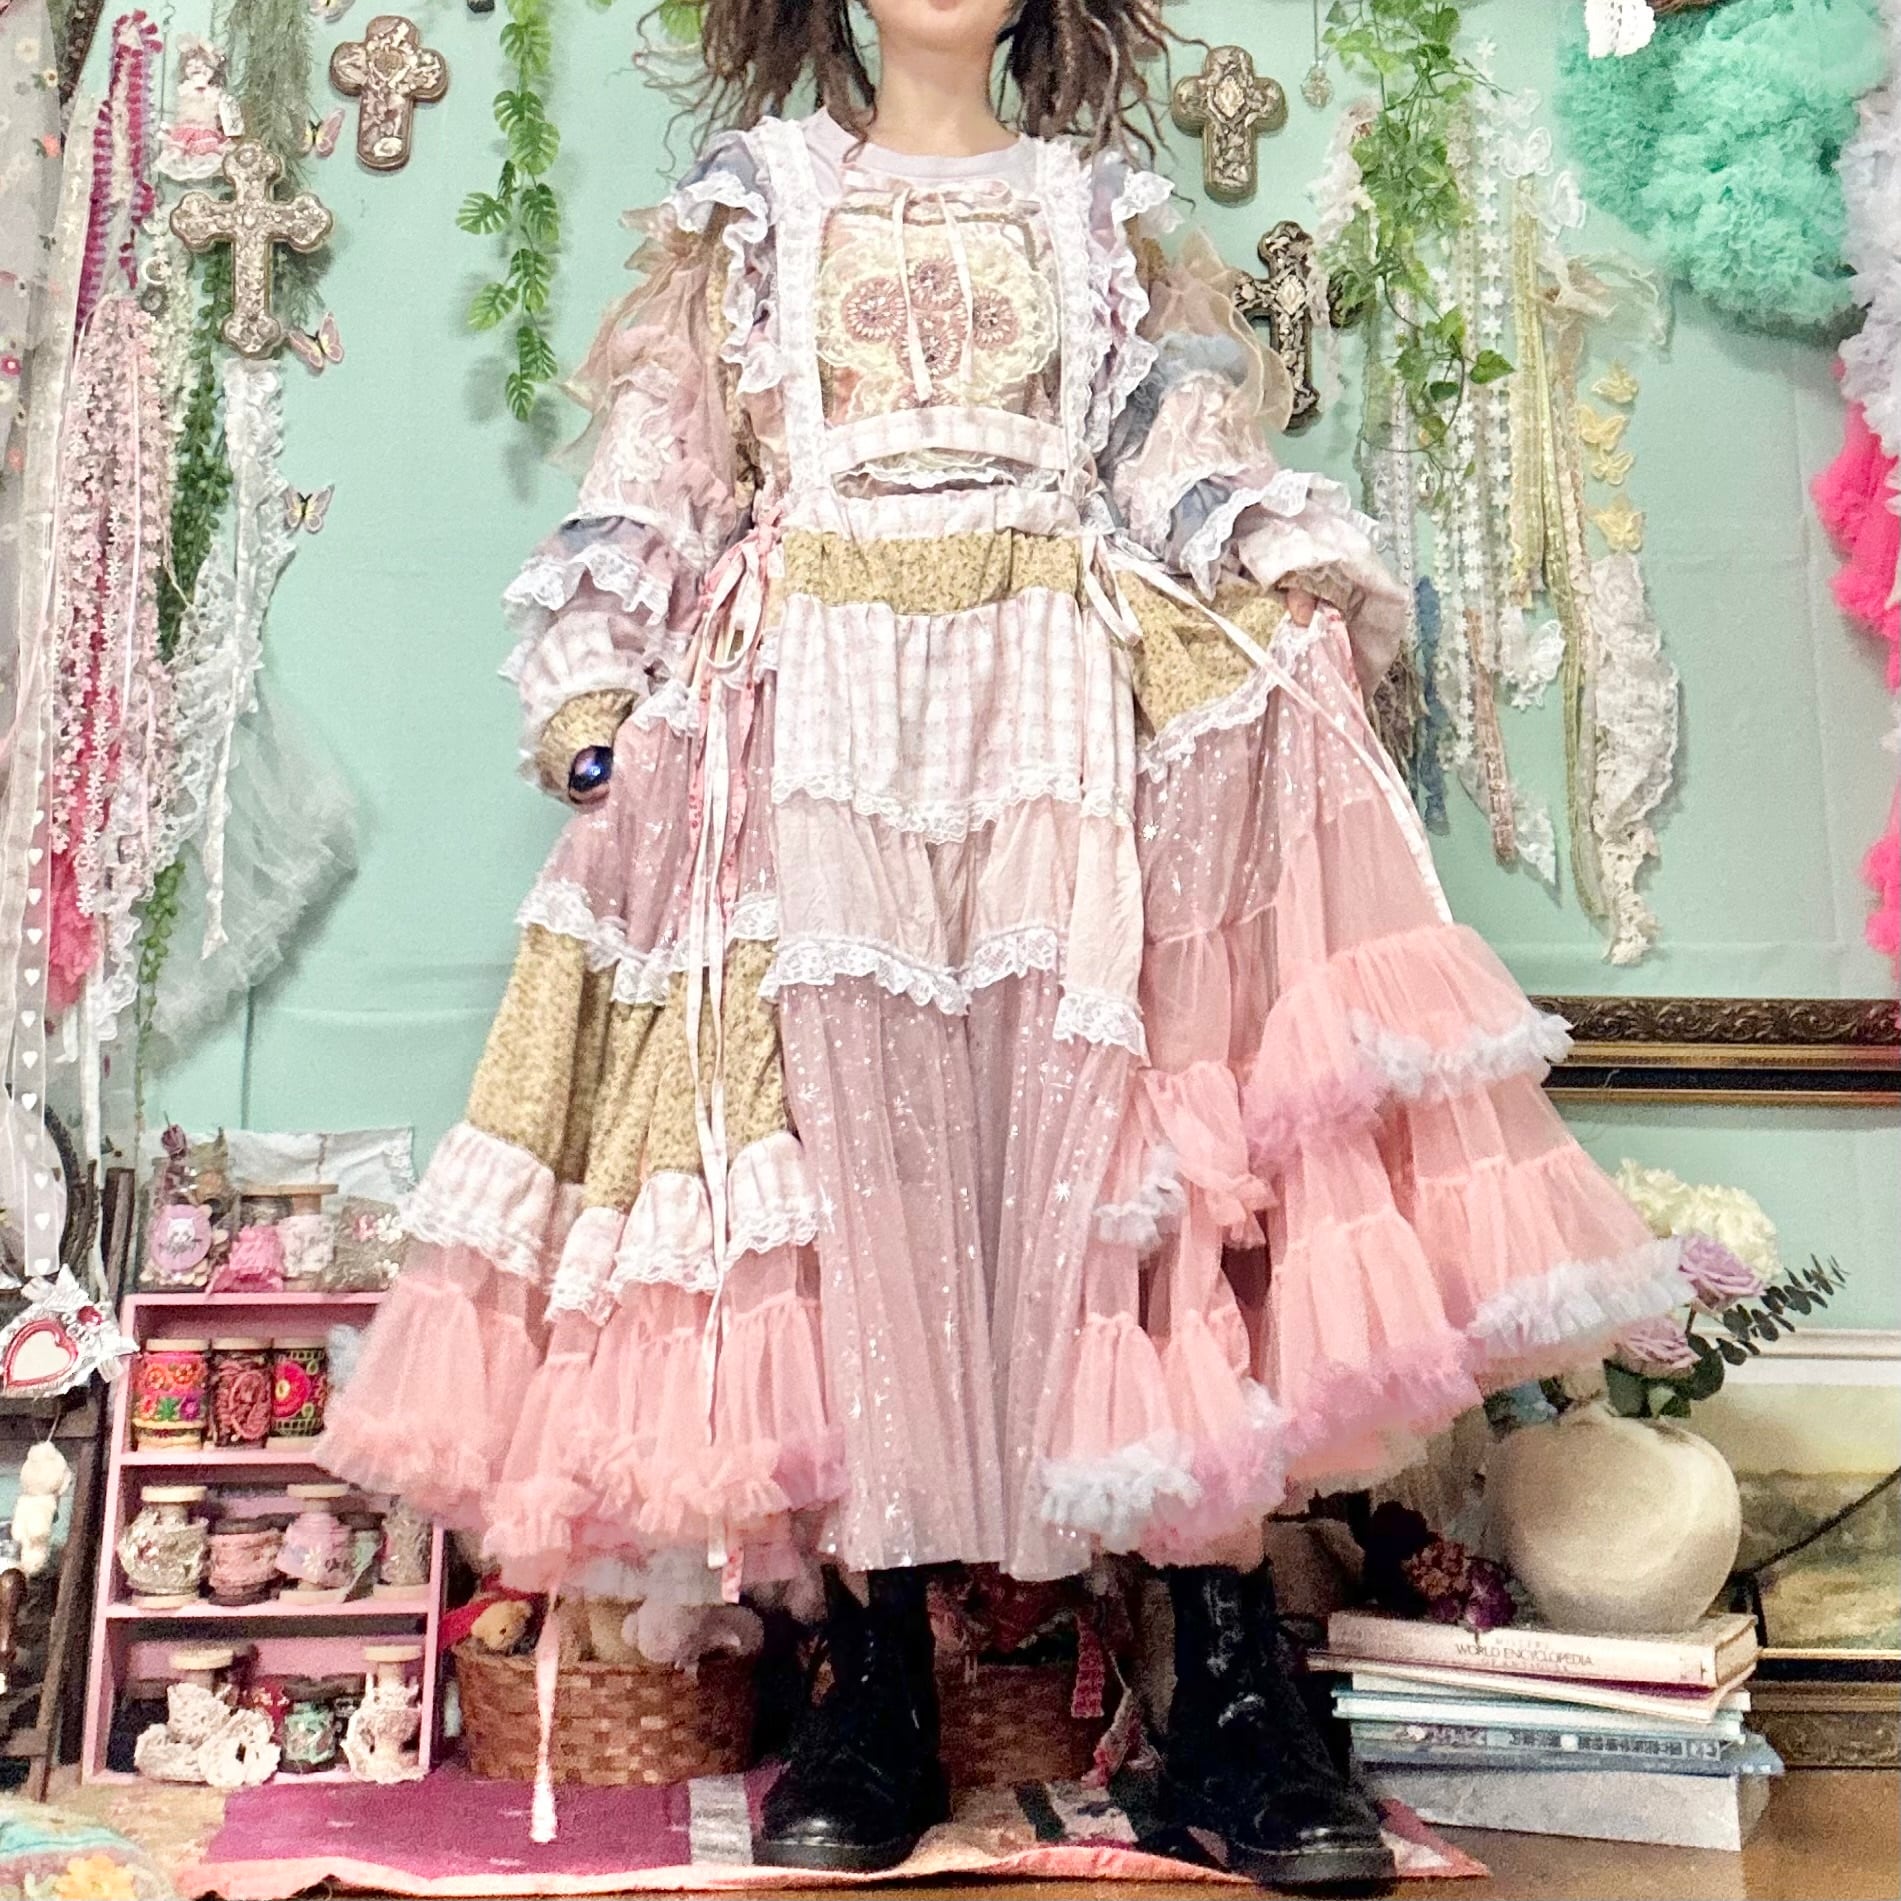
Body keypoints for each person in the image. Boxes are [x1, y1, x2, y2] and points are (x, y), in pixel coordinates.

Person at [317, 0, 1681, 1884]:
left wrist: (1279, 578)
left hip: (1056, 695)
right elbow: (657, 475)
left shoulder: (1099, 213)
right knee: (854, 1182)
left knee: (1125, 1168)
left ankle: (1227, 1694)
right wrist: (595, 679)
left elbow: (1184, 462)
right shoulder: (751, 206)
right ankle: (870, 1688)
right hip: (817, 710)